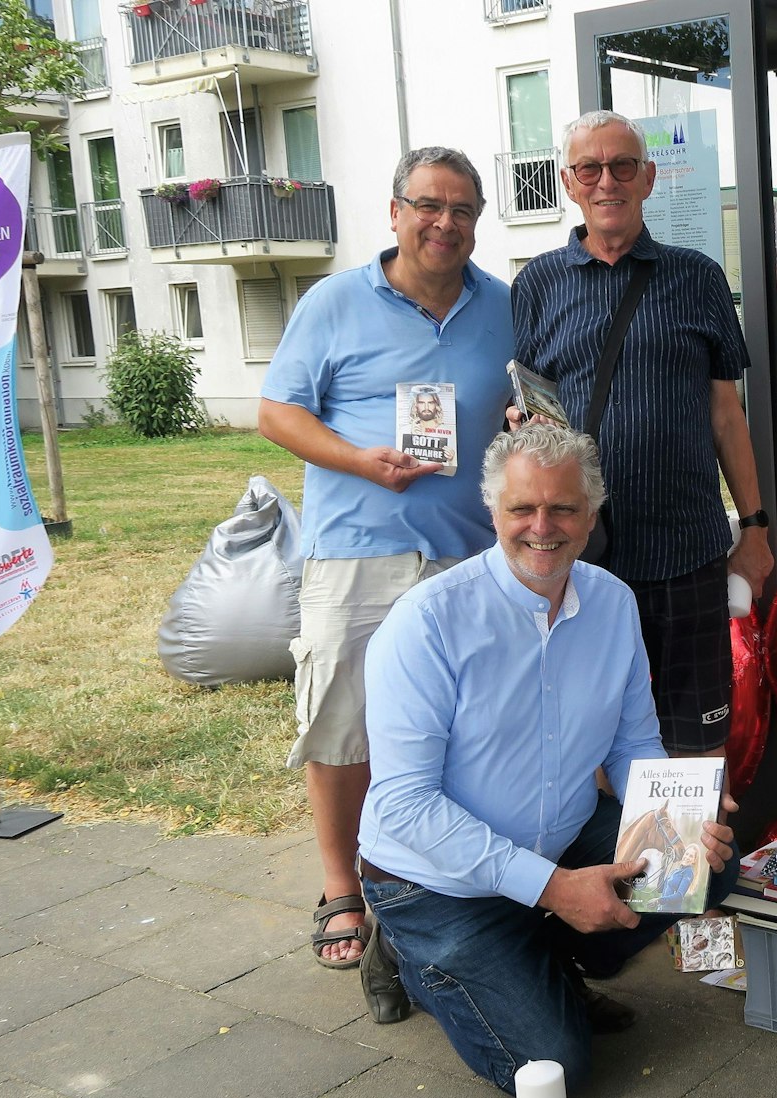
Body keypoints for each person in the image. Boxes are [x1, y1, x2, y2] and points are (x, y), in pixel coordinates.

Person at [357, 425, 738, 1095]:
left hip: (557, 843)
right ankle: (407, 951)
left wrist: (678, 820)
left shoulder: (613, 603)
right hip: (434, 881)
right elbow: (404, 807)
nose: (542, 526)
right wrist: (555, 888)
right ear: (492, 511)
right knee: (555, 1068)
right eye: (521, 509)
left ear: (591, 514)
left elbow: (631, 745)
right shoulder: (427, 622)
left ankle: (535, 953)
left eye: (562, 507)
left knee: (707, 860)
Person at [258, 147, 513, 971]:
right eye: (429, 205)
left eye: (463, 209)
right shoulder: (335, 301)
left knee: (463, 731)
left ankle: (440, 879)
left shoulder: (503, 306)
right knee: (342, 718)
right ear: (395, 210)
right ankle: (342, 888)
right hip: (356, 553)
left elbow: (526, 400)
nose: (446, 223)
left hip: (468, 555)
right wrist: (358, 458)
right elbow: (275, 413)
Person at [511, 110, 772, 758]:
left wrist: (757, 527)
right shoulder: (537, 285)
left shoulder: (698, 277)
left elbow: (725, 415)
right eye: (590, 168)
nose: (608, 182)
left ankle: (697, 860)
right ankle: (613, 857)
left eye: (623, 166)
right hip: (582, 558)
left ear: (649, 178)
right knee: (587, 737)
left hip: (688, 550)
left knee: (700, 736)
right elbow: (520, 407)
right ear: (569, 182)